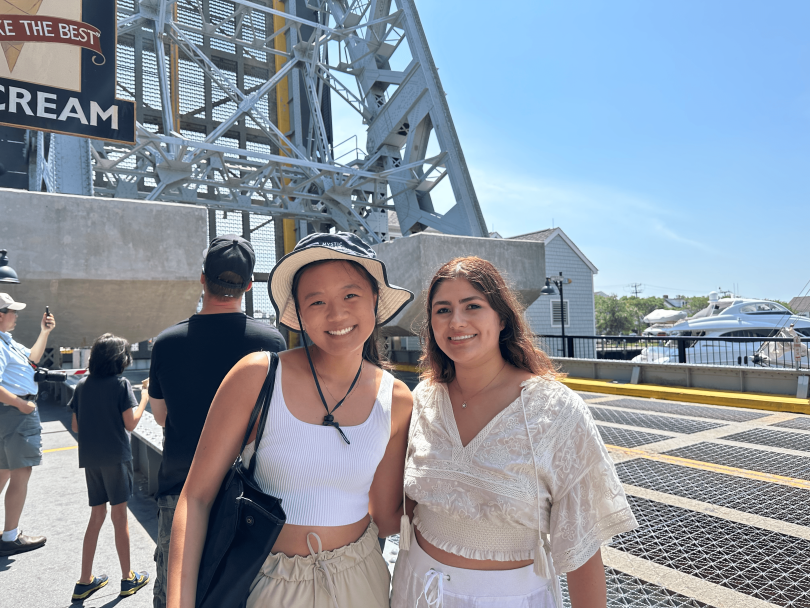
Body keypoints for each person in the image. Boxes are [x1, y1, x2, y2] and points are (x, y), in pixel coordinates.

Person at [167, 232, 415, 608]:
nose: (336, 314)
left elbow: (385, 516)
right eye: (316, 301)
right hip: (265, 580)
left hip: (362, 579)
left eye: (351, 295)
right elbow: (197, 497)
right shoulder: (258, 374)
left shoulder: (397, 400)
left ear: (375, 301)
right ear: (298, 313)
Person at [392, 257, 639, 608]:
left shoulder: (555, 410)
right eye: (442, 309)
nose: (456, 321)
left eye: (472, 306)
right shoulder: (423, 400)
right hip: (416, 590)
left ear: (502, 317)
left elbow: (582, 542)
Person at [148, 234, 286, 608]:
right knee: (243, 591)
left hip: (179, 489)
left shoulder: (167, 342)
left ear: (202, 279)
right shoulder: (271, 343)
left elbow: (160, 415)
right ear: (249, 286)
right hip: (249, 494)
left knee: (174, 591)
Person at [69, 334, 152, 600]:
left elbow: (76, 426)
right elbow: (131, 423)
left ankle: (84, 581)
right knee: (120, 517)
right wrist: (145, 397)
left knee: (96, 516)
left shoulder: (82, 385)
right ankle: (128, 579)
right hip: (116, 457)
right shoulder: (122, 384)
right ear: (120, 359)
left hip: (91, 459)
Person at [0, 293, 54, 557]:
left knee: (3, 472)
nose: (16, 315)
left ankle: (8, 533)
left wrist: (44, 332)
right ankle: (10, 537)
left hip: (8, 415)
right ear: (0, 315)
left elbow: (32, 359)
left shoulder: (6, 342)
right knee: (21, 474)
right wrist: (21, 405)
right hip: (16, 414)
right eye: (12, 311)